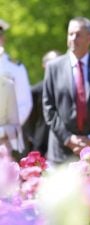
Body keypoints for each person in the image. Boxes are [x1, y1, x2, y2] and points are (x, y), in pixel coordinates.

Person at [43, 17, 90, 165]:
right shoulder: (53, 67)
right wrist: (68, 139)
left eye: (78, 34)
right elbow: (48, 108)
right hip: (61, 151)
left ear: (89, 38)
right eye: (70, 34)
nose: (73, 38)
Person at [0, 18, 33, 154]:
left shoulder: (15, 68)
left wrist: (3, 131)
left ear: (2, 39)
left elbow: (24, 103)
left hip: (6, 138)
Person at [23, 50, 61, 155]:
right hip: (40, 148)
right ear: (44, 65)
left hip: (65, 147)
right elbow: (28, 122)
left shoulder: (71, 89)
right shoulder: (35, 92)